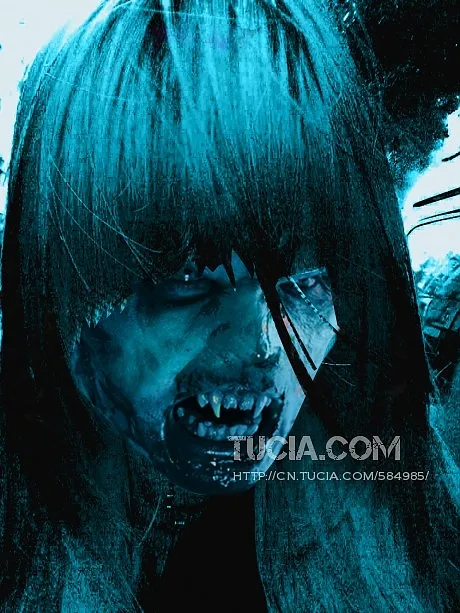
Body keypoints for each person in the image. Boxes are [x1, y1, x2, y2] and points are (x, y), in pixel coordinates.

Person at [0, 0, 458, 610]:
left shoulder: (396, 494)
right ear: (56, 286)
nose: (263, 346)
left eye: (303, 282)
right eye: (189, 282)